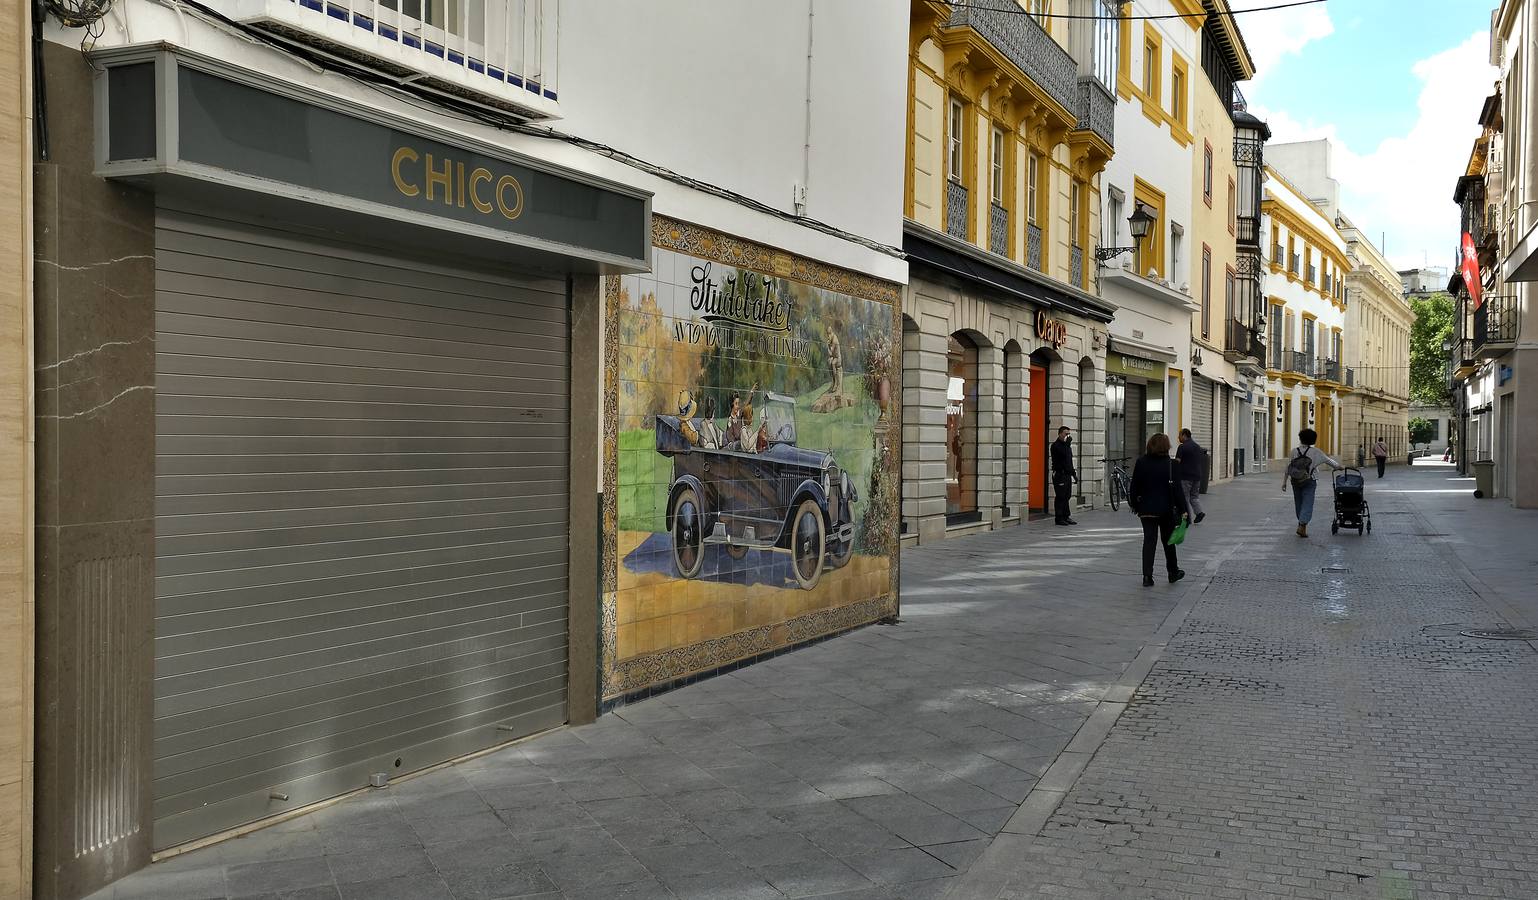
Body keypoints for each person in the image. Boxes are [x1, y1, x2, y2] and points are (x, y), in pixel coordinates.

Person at [1129, 433, 1190, 586]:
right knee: (1168, 541)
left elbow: (1134, 487)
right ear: (1166, 446)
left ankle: (1147, 577)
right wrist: (1185, 511)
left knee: (1149, 541)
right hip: (1166, 510)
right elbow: (1178, 491)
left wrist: (1136, 506)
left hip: (1147, 510)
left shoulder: (1141, 462)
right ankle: (1173, 572)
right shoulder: (1172, 465)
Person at [1282, 428, 1340, 537]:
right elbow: (1328, 460)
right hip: (1309, 480)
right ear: (1313, 439)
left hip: (1295, 481)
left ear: (1301, 438)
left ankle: (1301, 524)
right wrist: (1339, 467)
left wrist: (1284, 482)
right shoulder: (1315, 452)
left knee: (1298, 502)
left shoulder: (1294, 451)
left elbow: (1288, 467)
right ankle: (1303, 524)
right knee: (1308, 502)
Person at [1175, 428, 1207, 524]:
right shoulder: (1197, 447)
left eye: (1179, 435)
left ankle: (1186, 517)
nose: (1178, 438)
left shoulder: (1182, 447)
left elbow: (1177, 461)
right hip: (1197, 476)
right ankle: (1199, 512)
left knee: (1184, 497)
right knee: (1194, 496)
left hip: (1185, 476)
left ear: (1184, 435)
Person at [1051, 426, 1078, 526]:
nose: (1067, 436)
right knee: (1060, 496)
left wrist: (1074, 474)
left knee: (1067, 495)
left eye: (1068, 434)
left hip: (1067, 474)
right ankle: (1059, 518)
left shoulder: (1067, 446)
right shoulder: (1055, 446)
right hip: (1059, 474)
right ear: (1060, 434)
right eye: (1066, 434)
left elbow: (1069, 461)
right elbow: (1062, 456)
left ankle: (1066, 516)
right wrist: (1067, 445)